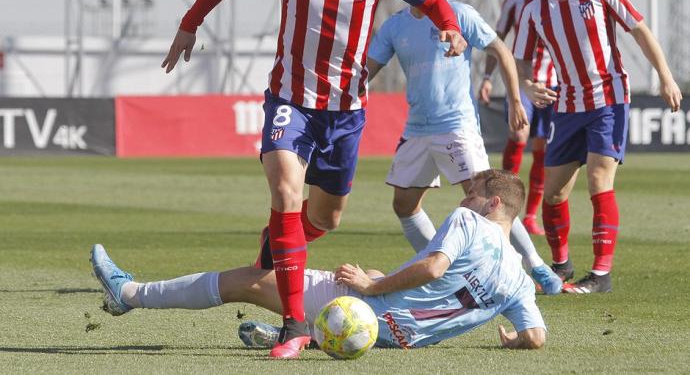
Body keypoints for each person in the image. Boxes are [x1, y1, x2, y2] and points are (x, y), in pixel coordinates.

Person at [159, 0, 467, 358]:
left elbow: (431, 0)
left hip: (346, 112)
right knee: (285, 192)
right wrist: (189, 22)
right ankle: (293, 324)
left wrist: (449, 26)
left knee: (326, 217)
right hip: (290, 101)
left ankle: (277, 242)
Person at [90, 169, 546, 351]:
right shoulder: (520, 281)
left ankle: (129, 294)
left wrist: (370, 287)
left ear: (492, 204)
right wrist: (513, 343)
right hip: (395, 340)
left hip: (367, 310)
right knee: (356, 279)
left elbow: (433, 269)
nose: (465, 200)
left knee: (249, 280)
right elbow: (537, 336)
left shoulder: (470, 224)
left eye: (472, 194)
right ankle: (308, 333)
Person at [366, 0, 561, 295]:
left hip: (456, 125)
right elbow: (370, 68)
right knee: (404, 205)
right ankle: (445, 269)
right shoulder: (395, 26)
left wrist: (516, 99)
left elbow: (500, 50)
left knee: (488, 200)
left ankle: (535, 266)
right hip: (417, 129)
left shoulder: (459, 13)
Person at [513, 0, 683, 293]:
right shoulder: (533, 10)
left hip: (609, 99)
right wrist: (527, 83)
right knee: (553, 192)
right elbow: (521, 60)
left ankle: (601, 275)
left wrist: (666, 77)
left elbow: (640, 31)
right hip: (568, 105)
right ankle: (561, 267)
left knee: (598, 179)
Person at [478, 0, 555, 236]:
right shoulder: (516, 1)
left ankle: (531, 215)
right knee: (518, 135)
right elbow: (495, 40)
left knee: (542, 149)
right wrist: (486, 76)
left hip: (553, 86)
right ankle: (508, 207)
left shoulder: (562, 1)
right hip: (523, 83)